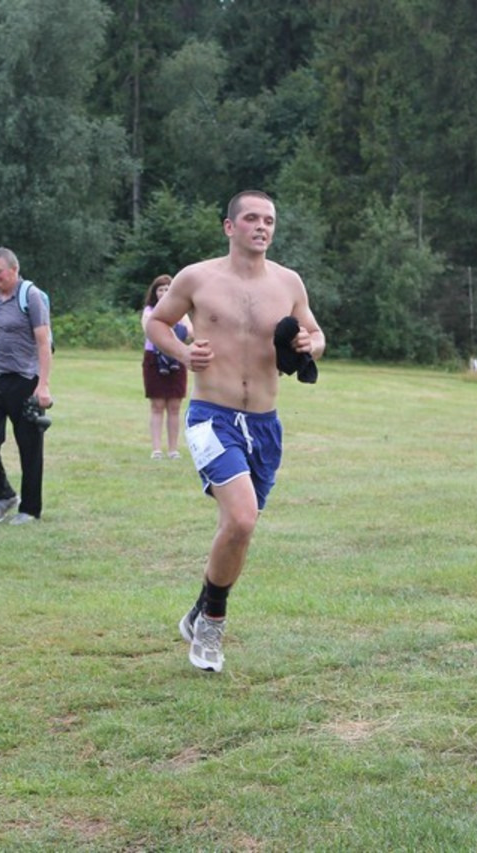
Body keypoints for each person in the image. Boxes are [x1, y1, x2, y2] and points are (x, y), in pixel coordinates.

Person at [146, 190, 325, 673]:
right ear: (230, 227)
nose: (261, 226)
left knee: (238, 531)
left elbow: (317, 335)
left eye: (269, 220)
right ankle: (212, 625)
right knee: (242, 519)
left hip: (265, 423)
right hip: (212, 417)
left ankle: (201, 606)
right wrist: (184, 354)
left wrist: (309, 345)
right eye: (251, 218)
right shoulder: (197, 277)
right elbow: (158, 323)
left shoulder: (288, 282)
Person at [0, 247, 53, 526]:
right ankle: (4, 496)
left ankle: (30, 509)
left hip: (25, 379)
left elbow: (43, 343)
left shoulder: (30, 296)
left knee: (29, 447)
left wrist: (43, 385)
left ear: (14, 270)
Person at [141, 274, 194, 459]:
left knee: (174, 405)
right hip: (155, 359)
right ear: (154, 293)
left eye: (167, 289)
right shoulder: (150, 311)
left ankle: (173, 449)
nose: (164, 293)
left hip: (177, 358)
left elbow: (190, 332)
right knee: (157, 404)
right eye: (160, 289)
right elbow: (150, 330)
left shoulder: (181, 313)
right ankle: (156, 448)